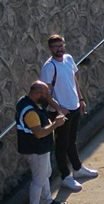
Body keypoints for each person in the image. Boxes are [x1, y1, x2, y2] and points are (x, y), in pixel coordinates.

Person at [40, 34, 99, 193]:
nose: (59, 49)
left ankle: (78, 168)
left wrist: (80, 99)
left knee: (71, 140)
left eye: (61, 45)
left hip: (74, 106)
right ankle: (66, 177)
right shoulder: (49, 67)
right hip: (61, 111)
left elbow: (73, 79)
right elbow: (45, 92)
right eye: (55, 47)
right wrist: (59, 109)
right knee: (61, 145)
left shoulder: (68, 59)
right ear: (50, 49)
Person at [14, 80, 67, 204]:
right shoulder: (31, 112)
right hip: (35, 150)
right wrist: (56, 123)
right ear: (38, 94)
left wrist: (58, 108)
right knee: (38, 180)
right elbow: (39, 133)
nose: (48, 97)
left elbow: (47, 99)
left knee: (46, 174)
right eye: (46, 94)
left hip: (41, 148)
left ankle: (47, 201)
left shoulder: (29, 101)